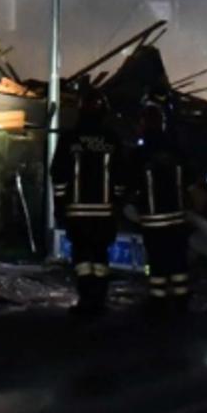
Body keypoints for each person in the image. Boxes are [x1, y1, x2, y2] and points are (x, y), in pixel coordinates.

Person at [51, 89, 126, 316]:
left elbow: (58, 174)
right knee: (100, 255)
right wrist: (118, 203)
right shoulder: (112, 140)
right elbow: (122, 176)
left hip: (77, 212)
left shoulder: (69, 139)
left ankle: (86, 300)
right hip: (104, 213)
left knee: (82, 256)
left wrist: (60, 205)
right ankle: (99, 300)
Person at [134, 95, 191, 316]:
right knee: (178, 260)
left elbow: (131, 181)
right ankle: (181, 300)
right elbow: (190, 177)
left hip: (153, 219)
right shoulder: (176, 151)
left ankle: (158, 301)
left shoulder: (141, 153)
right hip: (177, 217)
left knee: (157, 262)